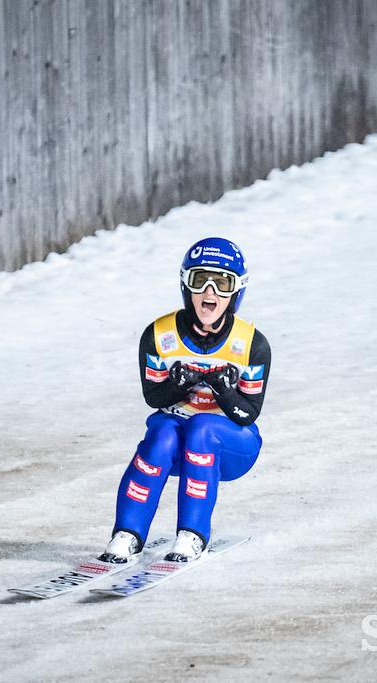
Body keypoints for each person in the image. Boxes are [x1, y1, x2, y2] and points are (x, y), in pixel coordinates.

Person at [99, 237, 271, 564]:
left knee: (203, 428)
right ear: (185, 285)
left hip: (233, 447)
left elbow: (248, 413)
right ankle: (128, 534)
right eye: (200, 281)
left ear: (236, 291)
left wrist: (224, 390)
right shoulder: (159, 335)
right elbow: (154, 398)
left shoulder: (251, 344)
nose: (210, 292)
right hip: (177, 444)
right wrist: (179, 386)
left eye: (221, 283)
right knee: (161, 434)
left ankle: (192, 534)